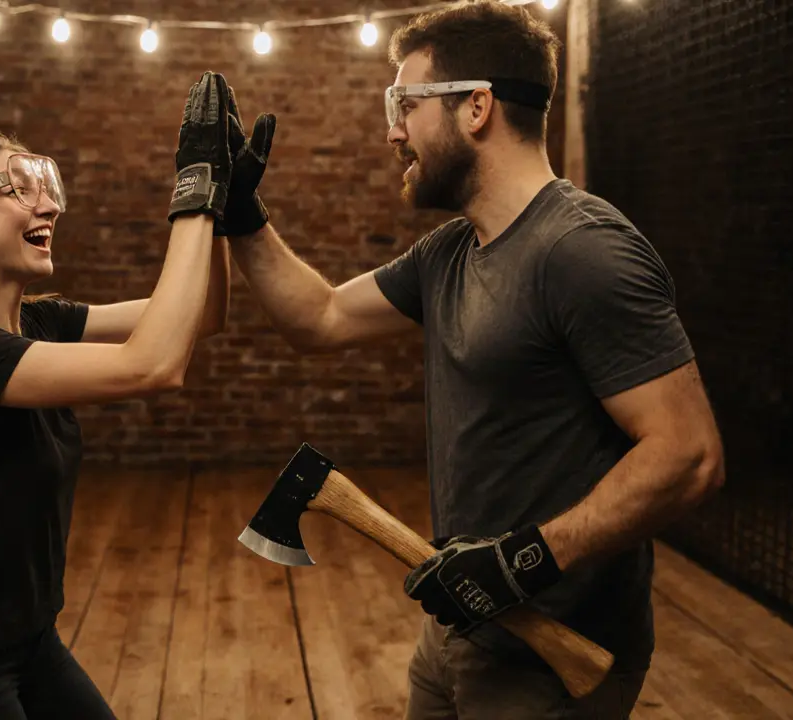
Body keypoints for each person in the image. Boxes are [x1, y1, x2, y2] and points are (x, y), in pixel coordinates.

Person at [220, 3, 725, 718]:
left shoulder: (581, 252)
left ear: (478, 107)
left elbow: (690, 455)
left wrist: (521, 562)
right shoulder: (449, 253)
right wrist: (243, 213)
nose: (393, 129)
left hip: (554, 650)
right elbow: (321, 318)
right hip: (460, 628)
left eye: (405, 102)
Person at [0, 71, 247, 719]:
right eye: (19, 191)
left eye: (47, 190)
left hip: (29, 643)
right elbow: (152, 366)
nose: (49, 207)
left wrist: (225, 209)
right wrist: (194, 192)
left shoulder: (40, 320)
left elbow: (202, 314)